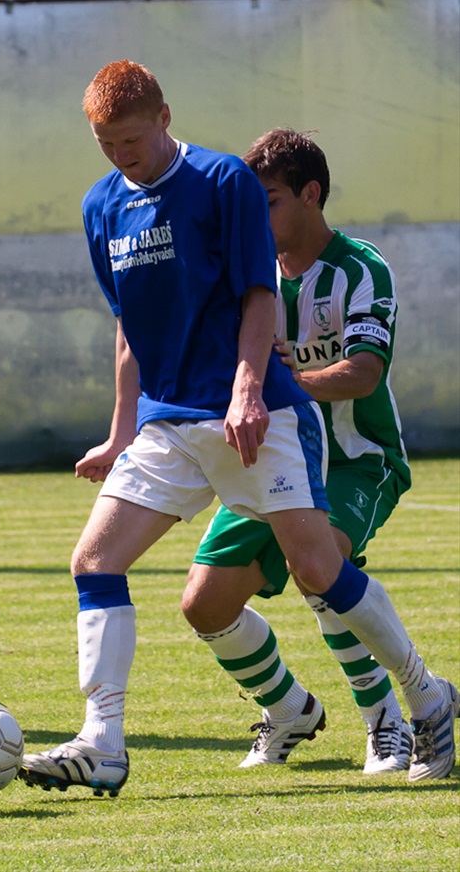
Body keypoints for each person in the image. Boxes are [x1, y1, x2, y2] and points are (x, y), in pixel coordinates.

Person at [19, 59, 364, 798]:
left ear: (165, 117)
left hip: (249, 416)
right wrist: (117, 432)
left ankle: (419, 694)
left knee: (318, 570)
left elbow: (258, 292)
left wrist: (247, 389)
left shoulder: (221, 182)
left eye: (132, 138)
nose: (121, 154)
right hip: (168, 423)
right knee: (95, 561)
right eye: (106, 142)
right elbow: (128, 328)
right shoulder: (100, 206)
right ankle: (103, 740)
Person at [182, 127, 458, 781]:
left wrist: (287, 380)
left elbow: (364, 372)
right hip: (276, 453)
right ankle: (288, 709)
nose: (256, 216)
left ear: (311, 194)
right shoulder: (248, 275)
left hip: (358, 456)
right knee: (205, 603)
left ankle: (397, 715)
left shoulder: (361, 268)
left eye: (269, 200)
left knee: (320, 561)